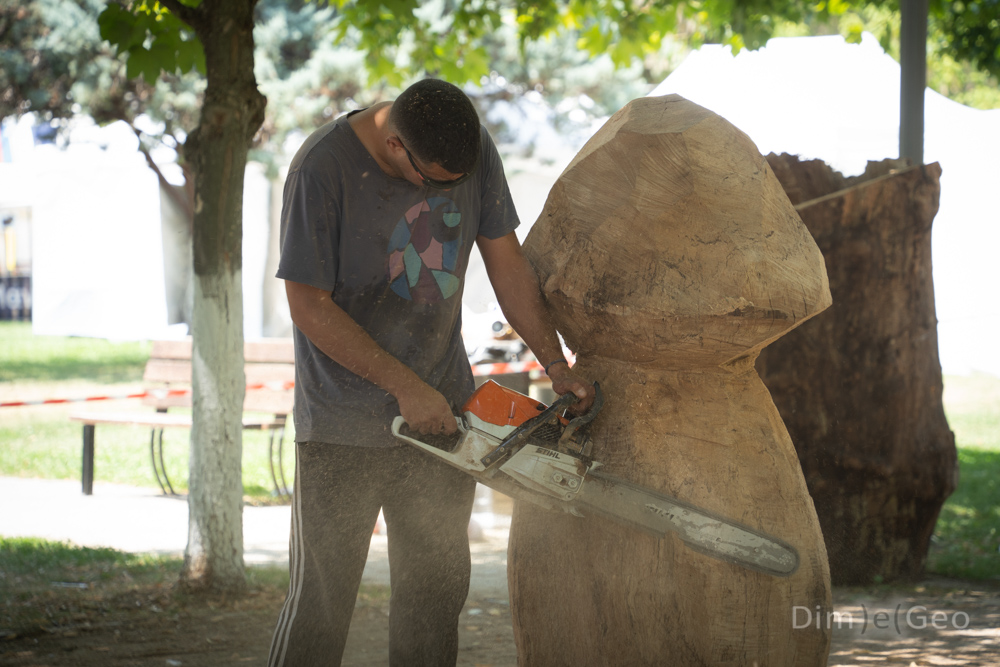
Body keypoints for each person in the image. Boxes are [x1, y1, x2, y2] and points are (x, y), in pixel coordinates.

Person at [266, 78, 595, 667]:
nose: (447, 191)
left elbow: (506, 262)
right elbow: (309, 306)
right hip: (341, 427)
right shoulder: (321, 168)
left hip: (444, 425)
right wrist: (404, 386)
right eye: (433, 181)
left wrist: (554, 359)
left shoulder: (471, 152)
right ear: (395, 144)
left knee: (433, 602)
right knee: (321, 606)